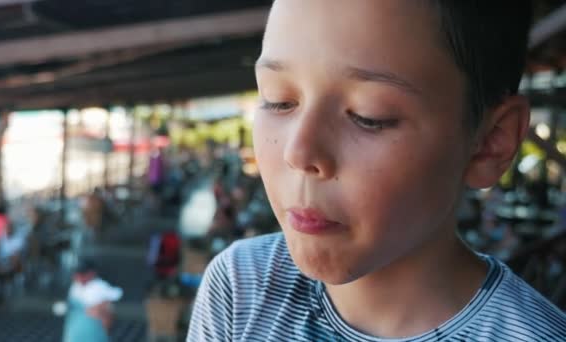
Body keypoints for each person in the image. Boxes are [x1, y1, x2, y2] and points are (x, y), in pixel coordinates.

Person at [187, 1, 566, 341]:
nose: (298, 152)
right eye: (279, 100)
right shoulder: (242, 288)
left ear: (489, 143)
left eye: (370, 117)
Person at [63, 259, 123, 342]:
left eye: (82, 273)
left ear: (91, 273)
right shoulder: (75, 287)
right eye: (77, 273)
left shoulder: (101, 287)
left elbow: (108, 315)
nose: (78, 276)